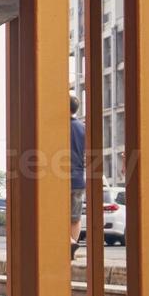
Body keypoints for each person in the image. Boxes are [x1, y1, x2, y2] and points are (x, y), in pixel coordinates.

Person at [70, 93, 87, 260]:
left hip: (60, 179)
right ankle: (72, 245)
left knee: (56, 214)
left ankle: (69, 243)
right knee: (75, 218)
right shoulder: (83, 128)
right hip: (78, 180)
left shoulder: (59, 128)